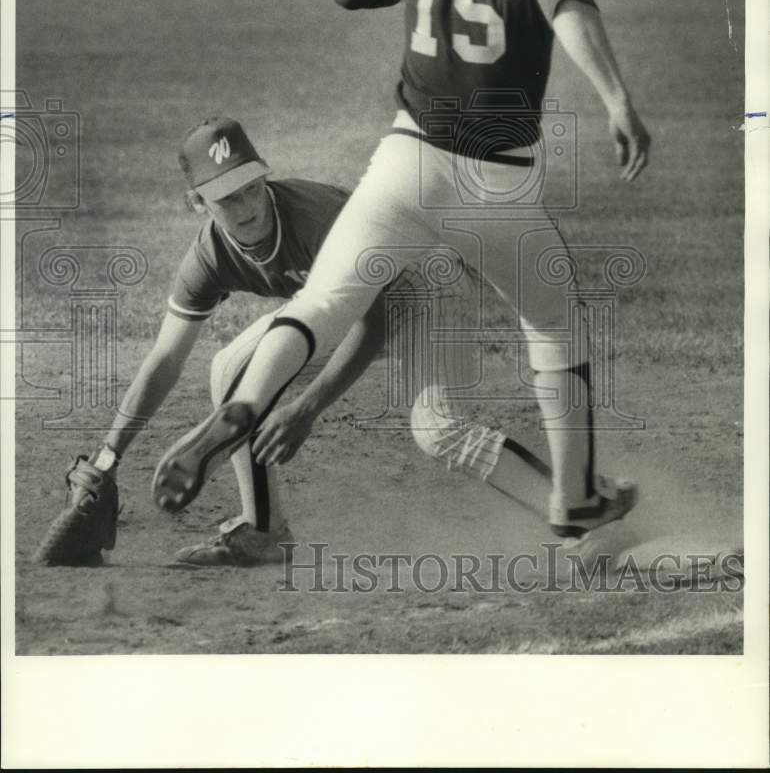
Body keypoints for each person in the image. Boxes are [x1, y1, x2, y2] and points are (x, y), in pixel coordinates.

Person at [151, 0, 650, 541]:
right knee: (553, 319)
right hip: (494, 182)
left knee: (320, 303)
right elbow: (564, 4)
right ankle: (574, 495)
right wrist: (616, 98)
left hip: (402, 162)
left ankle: (246, 403)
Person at [35, 115, 555, 567]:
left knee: (437, 429)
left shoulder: (314, 219)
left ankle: (574, 511)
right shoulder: (209, 259)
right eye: (225, 197)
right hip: (348, 305)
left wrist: (307, 407)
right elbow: (166, 359)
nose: (246, 207)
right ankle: (263, 533)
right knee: (230, 370)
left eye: (249, 187)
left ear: (265, 176)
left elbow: (376, 320)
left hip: (429, 288)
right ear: (196, 202)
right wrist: (108, 458)